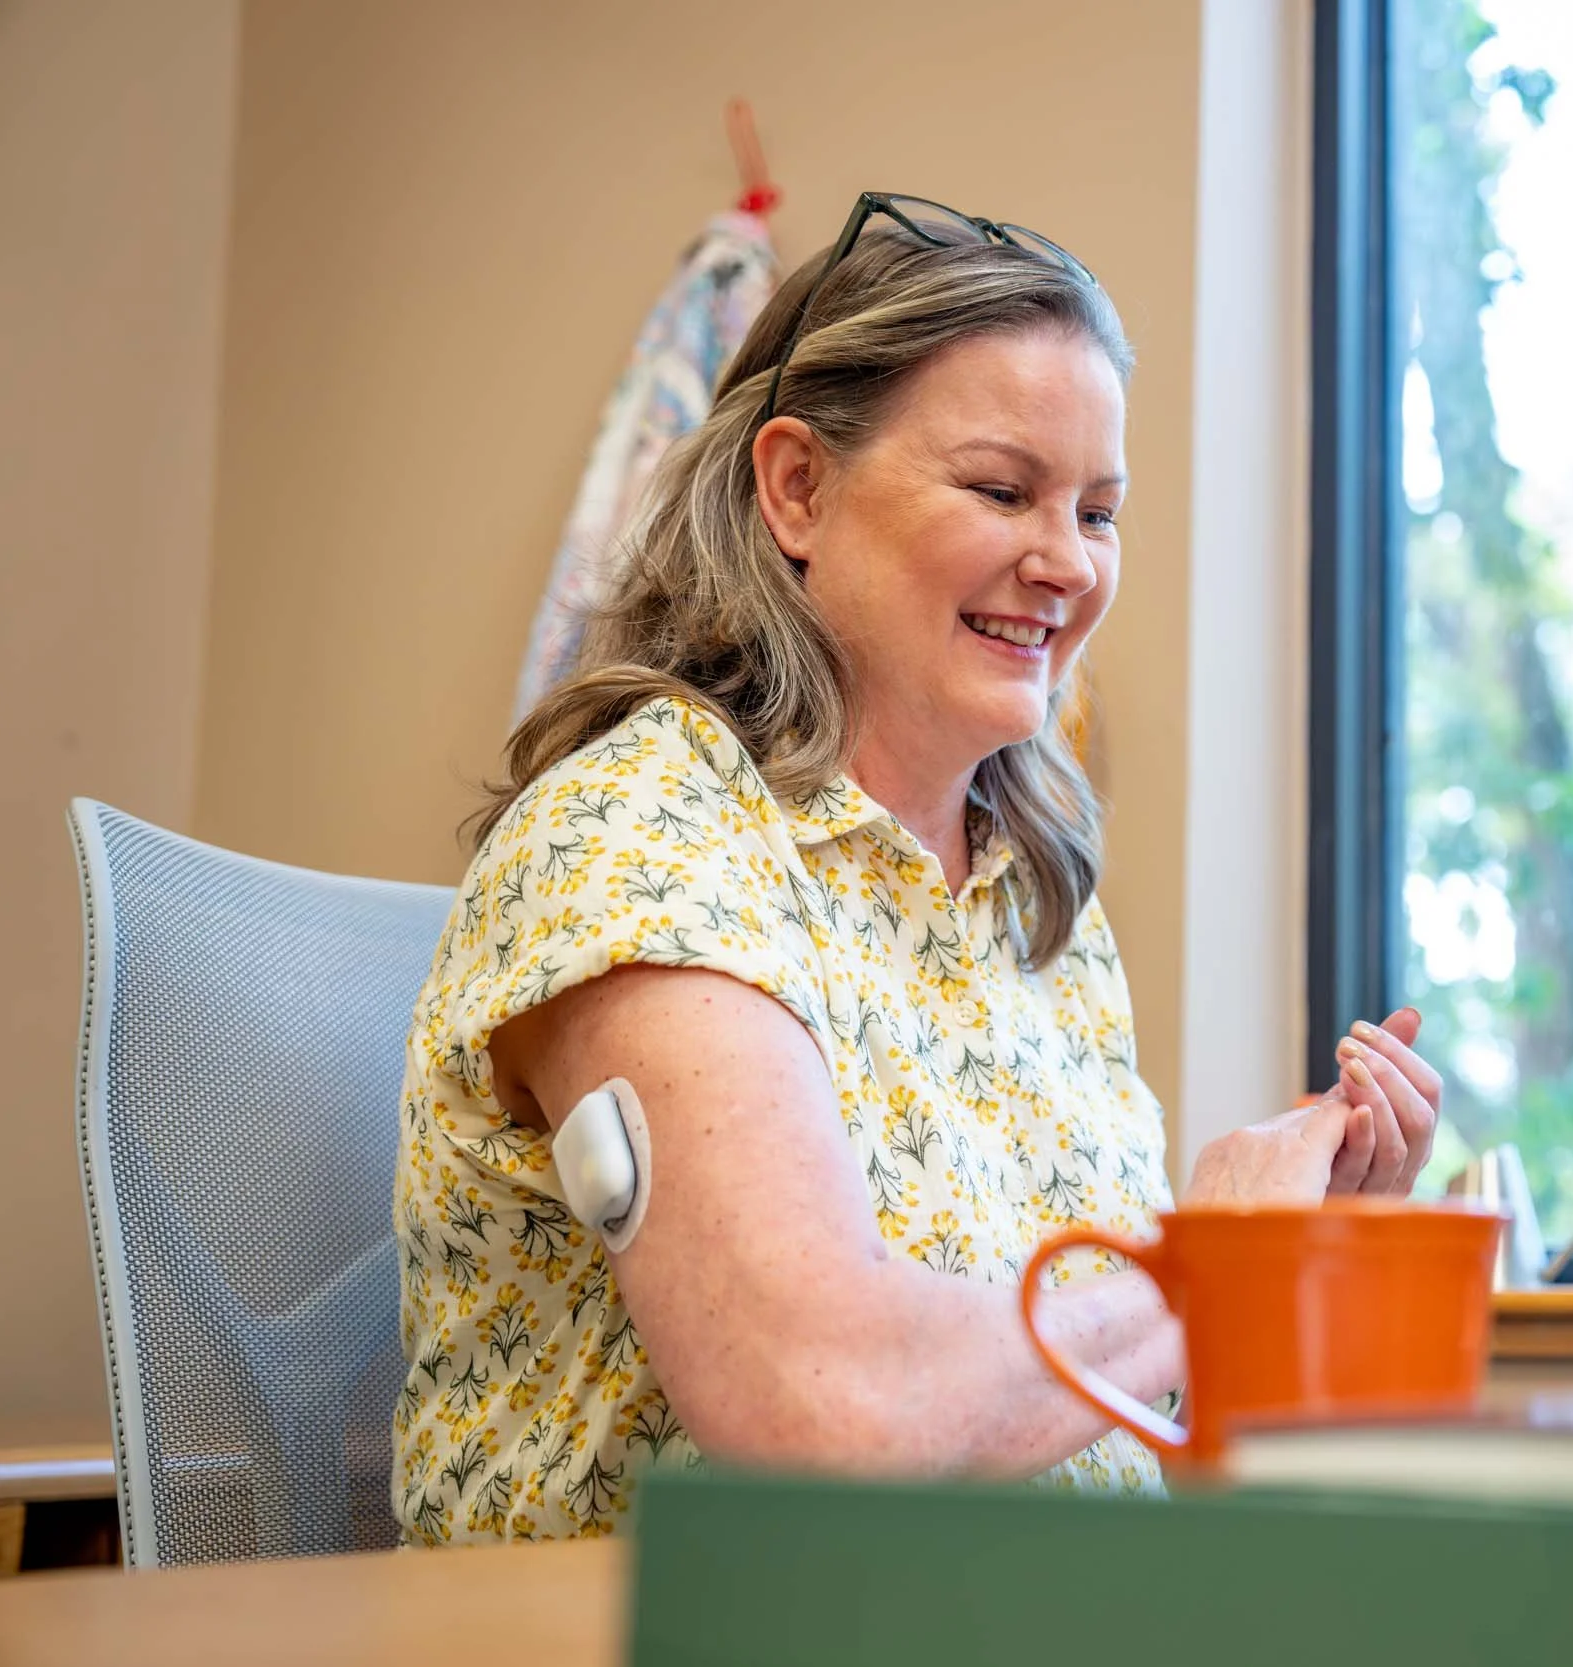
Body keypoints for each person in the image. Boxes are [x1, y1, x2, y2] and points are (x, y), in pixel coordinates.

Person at [392, 194, 1444, 1544]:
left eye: (1100, 510)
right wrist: (1208, 1263)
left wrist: (1302, 1262)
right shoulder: (640, 837)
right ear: (797, 490)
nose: (1066, 561)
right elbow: (825, 1408)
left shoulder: (1032, 902)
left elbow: (1099, 1434)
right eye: (1002, 490)